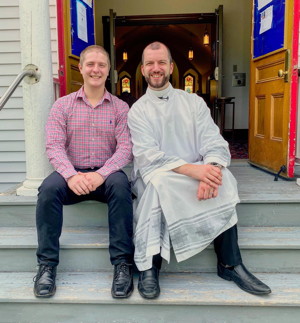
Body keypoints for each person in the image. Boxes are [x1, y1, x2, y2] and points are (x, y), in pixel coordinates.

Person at [127, 41, 271, 299]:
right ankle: (150, 265)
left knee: (224, 176)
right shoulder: (137, 111)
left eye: (161, 62)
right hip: (160, 176)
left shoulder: (193, 103)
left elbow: (213, 142)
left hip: (197, 175)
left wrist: (211, 170)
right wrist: (195, 172)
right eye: (150, 63)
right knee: (160, 184)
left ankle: (229, 263)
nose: (156, 68)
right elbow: (149, 156)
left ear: (171, 67)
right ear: (143, 69)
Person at [33, 45, 134, 299]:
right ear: (81, 68)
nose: (96, 70)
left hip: (106, 175)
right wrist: (71, 175)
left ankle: (122, 265)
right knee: (47, 190)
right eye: (90, 64)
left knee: (122, 187)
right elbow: (54, 145)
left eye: (101, 65)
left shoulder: (121, 108)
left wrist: (102, 173)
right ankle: (47, 266)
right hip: (72, 175)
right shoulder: (62, 106)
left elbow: (126, 149)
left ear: (109, 70)